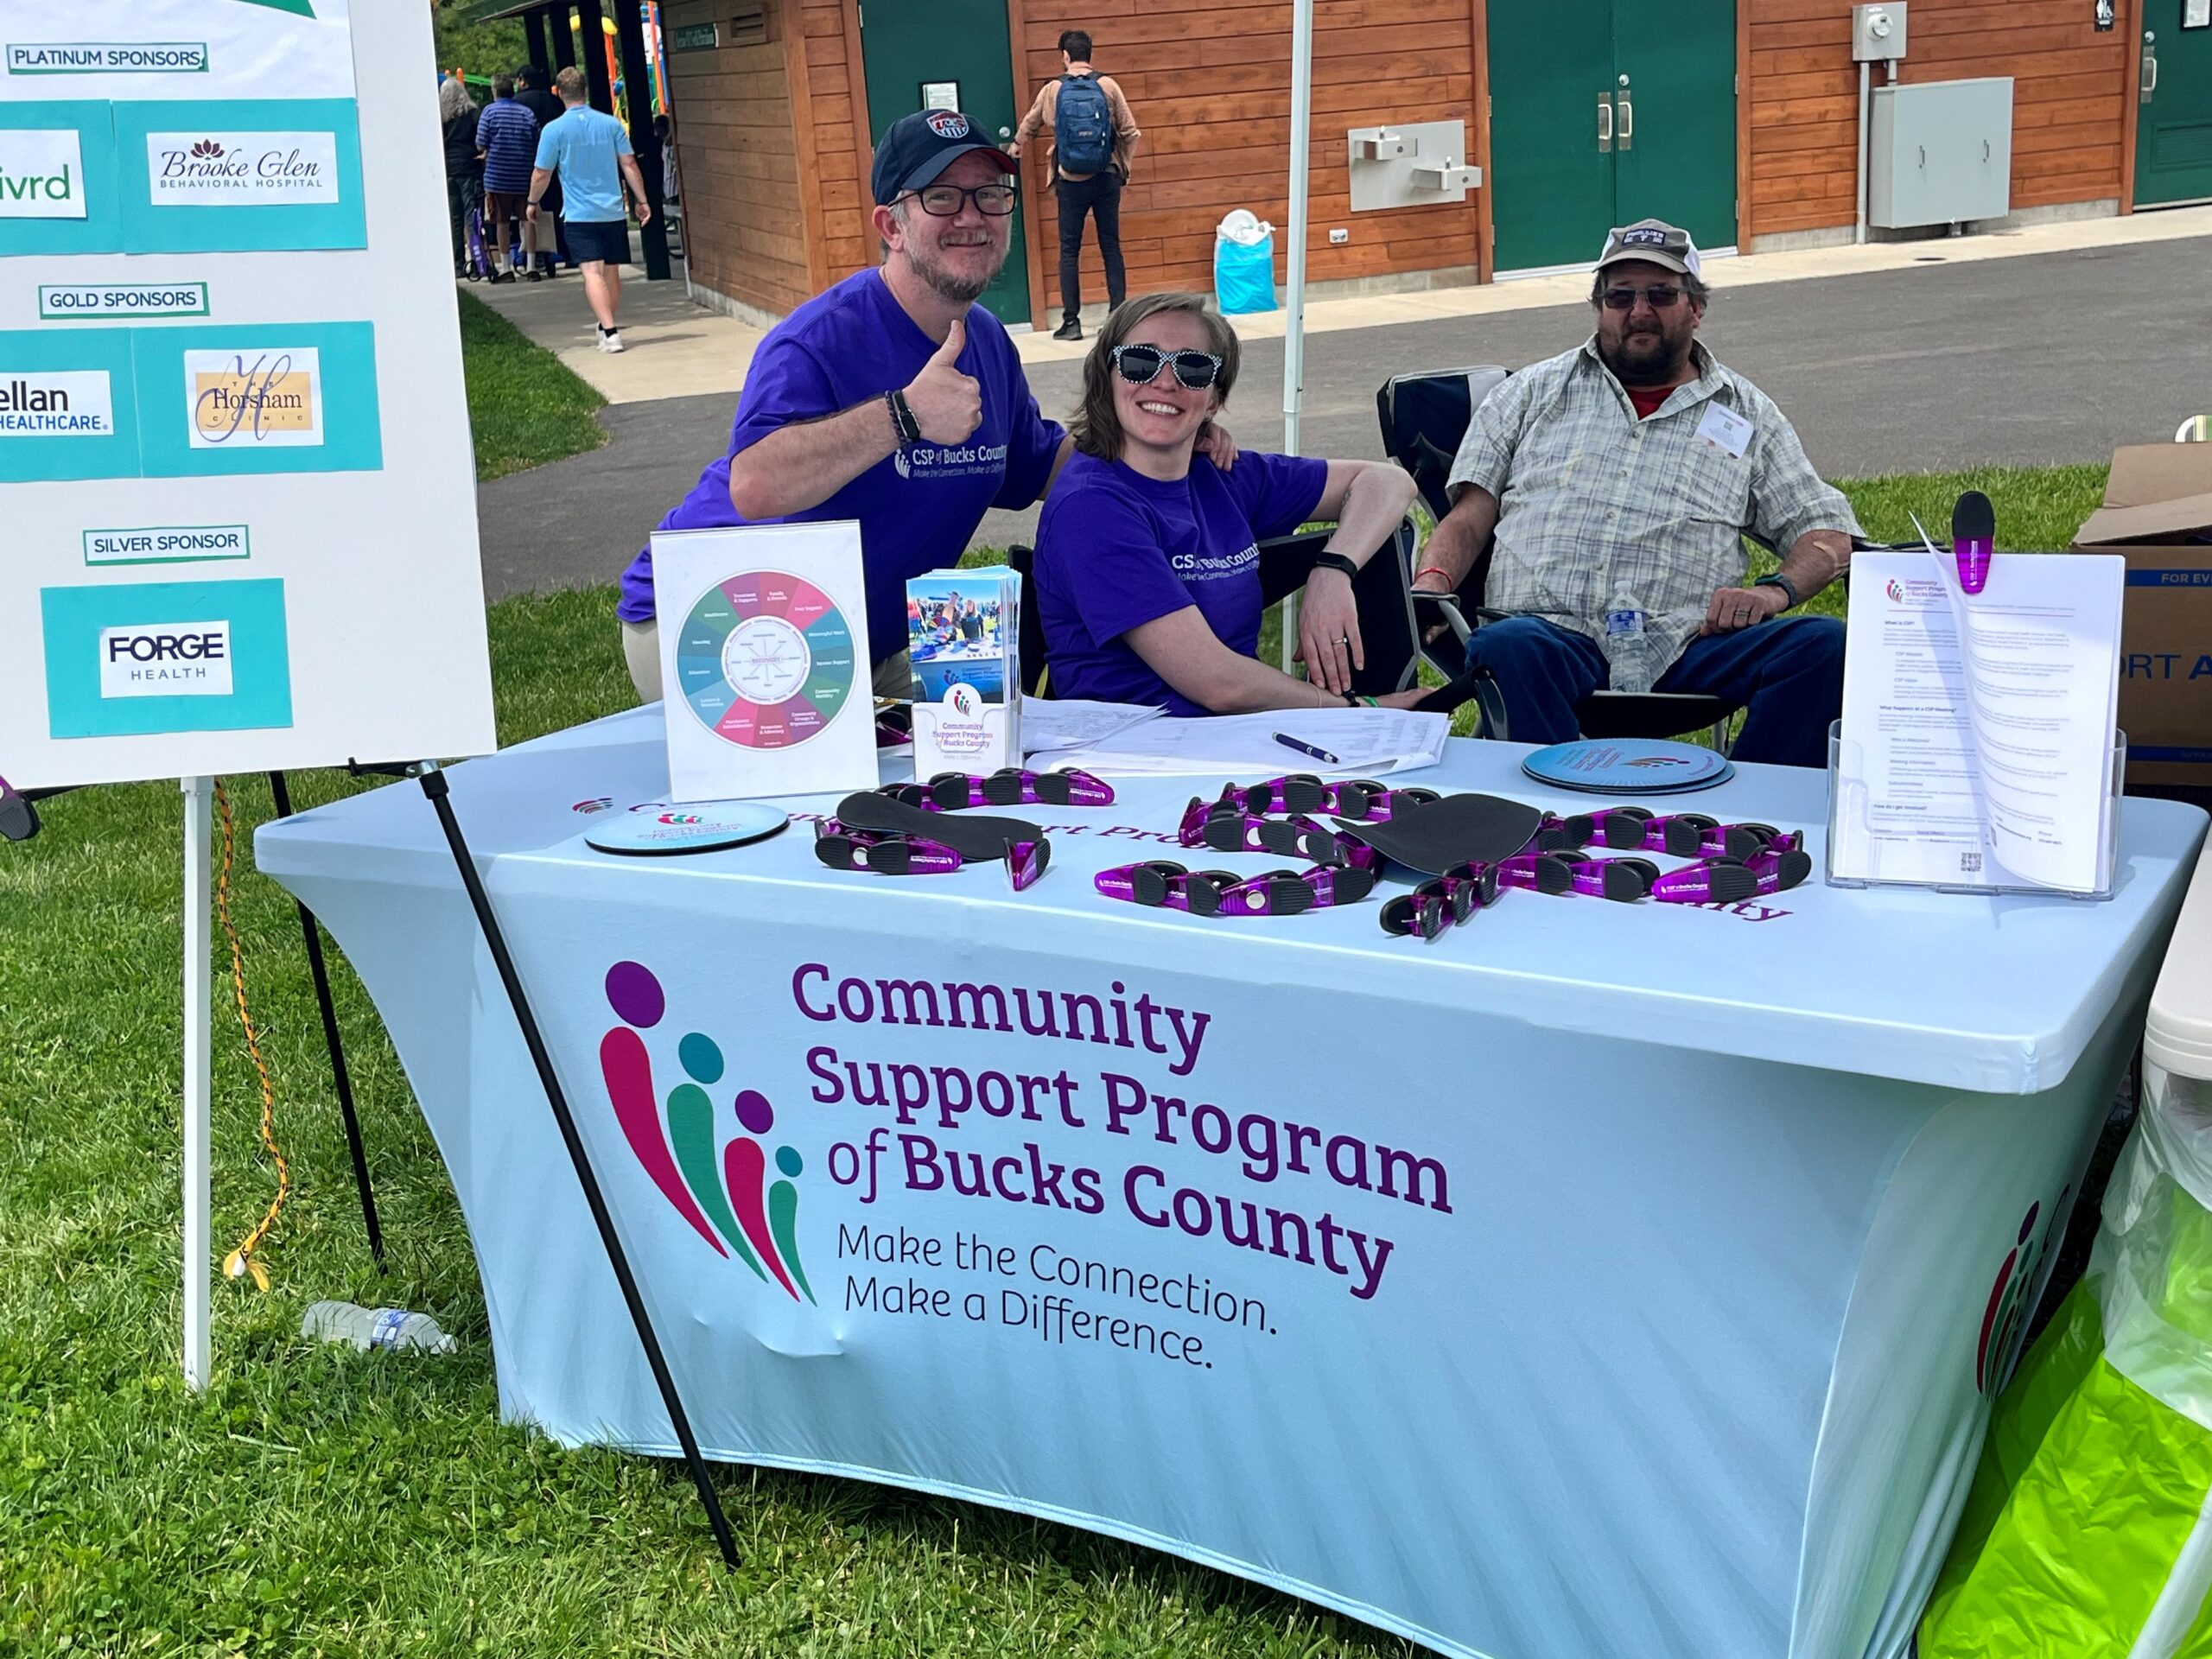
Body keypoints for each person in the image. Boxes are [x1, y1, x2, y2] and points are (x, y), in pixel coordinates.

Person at [613, 110, 1236, 705]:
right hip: (716, 628)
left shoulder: (985, 339)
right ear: (891, 225)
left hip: (862, 644)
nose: (973, 216)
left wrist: (1164, 430)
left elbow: (1040, 466)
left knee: (982, 760)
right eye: (942, 196)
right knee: (820, 812)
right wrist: (904, 416)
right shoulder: (820, 338)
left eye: (991, 194)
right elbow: (755, 485)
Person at [1412, 219, 1860, 767]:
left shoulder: (1746, 414)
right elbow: (1470, 516)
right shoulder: (1530, 392)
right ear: (1599, 305)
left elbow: (1829, 535)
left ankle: (1748, 819)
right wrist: (1432, 582)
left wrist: (1773, 593)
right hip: (1554, 638)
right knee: (1507, 647)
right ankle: (1558, 818)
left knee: (1826, 649)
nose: (1639, 311)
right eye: (1620, 296)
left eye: (1661, 295)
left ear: (1696, 307)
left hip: (1690, 645)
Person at [1033, 291, 1427, 715]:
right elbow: (1218, 684)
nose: (1166, 381)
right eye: (1140, 361)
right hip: (1138, 755)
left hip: (1242, 737)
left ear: (1214, 399)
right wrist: (1357, 712)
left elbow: (1389, 482)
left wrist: (1334, 570)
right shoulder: (1090, 506)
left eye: (1194, 369)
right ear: (1106, 377)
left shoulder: (1221, 475)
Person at [1008, 30, 1139, 342]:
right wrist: (1123, 169)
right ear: (1089, 54)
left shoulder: (1053, 89)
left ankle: (1072, 323)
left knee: (1069, 250)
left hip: (1070, 179)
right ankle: (1117, 319)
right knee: (1111, 246)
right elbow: (1132, 132)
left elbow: (1031, 122)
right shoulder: (1107, 85)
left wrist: (1017, 145)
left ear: (1064, 55)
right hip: (1106, 177)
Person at [528, 67, 653, 353]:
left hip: (578, 214)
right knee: (612, 273)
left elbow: (541, 174)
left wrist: (532, 202)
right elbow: (629, 164)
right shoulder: (611, 125)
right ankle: (605, 325)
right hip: (612, 211)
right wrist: (642, 200)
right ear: (585, 90)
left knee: (592, 273)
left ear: (557, 93)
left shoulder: (554, 130)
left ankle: (610, 332)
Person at [473, 73, 538, 283]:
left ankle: (506, 268)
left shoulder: (489, 112)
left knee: (501, 222)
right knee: (528, 220)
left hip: (498, 177)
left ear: (495, 92)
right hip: (524, 175)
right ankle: (531, 266)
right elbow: (537, 139)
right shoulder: (526, 113)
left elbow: (480, 143)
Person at [512, 65, 569, 276]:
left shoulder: (518, 104)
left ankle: (532, 253)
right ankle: (562, 250)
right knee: (556, 207)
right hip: (556, 162)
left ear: (522, 81)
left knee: (531, 209)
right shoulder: (554, 101)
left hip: (528, 163)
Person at [438, 76, 480, 279]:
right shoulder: (472, 113)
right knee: (472, 217)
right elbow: (479, 139)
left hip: (449, 169)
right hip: (468, 166)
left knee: (455, 219)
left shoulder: (440, 116)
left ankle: (458, 263)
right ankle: (478, 260)